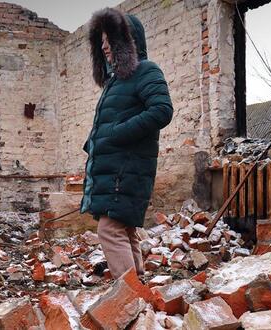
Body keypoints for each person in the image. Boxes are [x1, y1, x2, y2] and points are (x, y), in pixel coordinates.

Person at [81, 8, 173, 279]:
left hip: (127, 170)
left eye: (110, 39)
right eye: (101, 40)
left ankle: (129, 298)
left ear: (127, 41)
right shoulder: (115, 82)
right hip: (117, 168)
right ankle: (139, 287)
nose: (104, 46)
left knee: (109, 230)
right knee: (124, 228)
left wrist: (118, 133)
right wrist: (95, 143)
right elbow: (112, 120)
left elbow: (162, 110)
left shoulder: (146, 71)